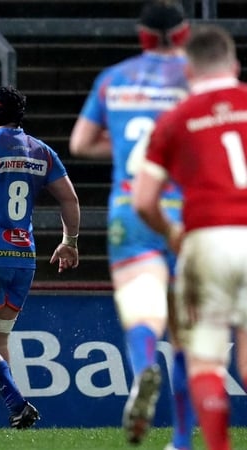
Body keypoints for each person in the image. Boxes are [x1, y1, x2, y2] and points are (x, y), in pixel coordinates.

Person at [69, 1, 195, 447]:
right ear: (183, 34)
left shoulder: (114, 79)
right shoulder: (198, 80)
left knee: (142, 313)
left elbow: (80, 143)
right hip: (184, 210)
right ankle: (181, 439)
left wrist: (126, 149)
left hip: (129, 206)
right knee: (185, 329)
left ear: (142, 35)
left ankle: (143, 367)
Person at [133, 25, 247, 450]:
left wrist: (173, 232)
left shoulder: (175, 119)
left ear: (188, 70)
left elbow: (145, 201)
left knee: (205, 359)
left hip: (207, 240)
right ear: (234, 65)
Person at [0, 86, 79, 431]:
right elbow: (69, 199)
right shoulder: (41, 150)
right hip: (23, 258)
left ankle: (18, 404)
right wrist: (69, 241)